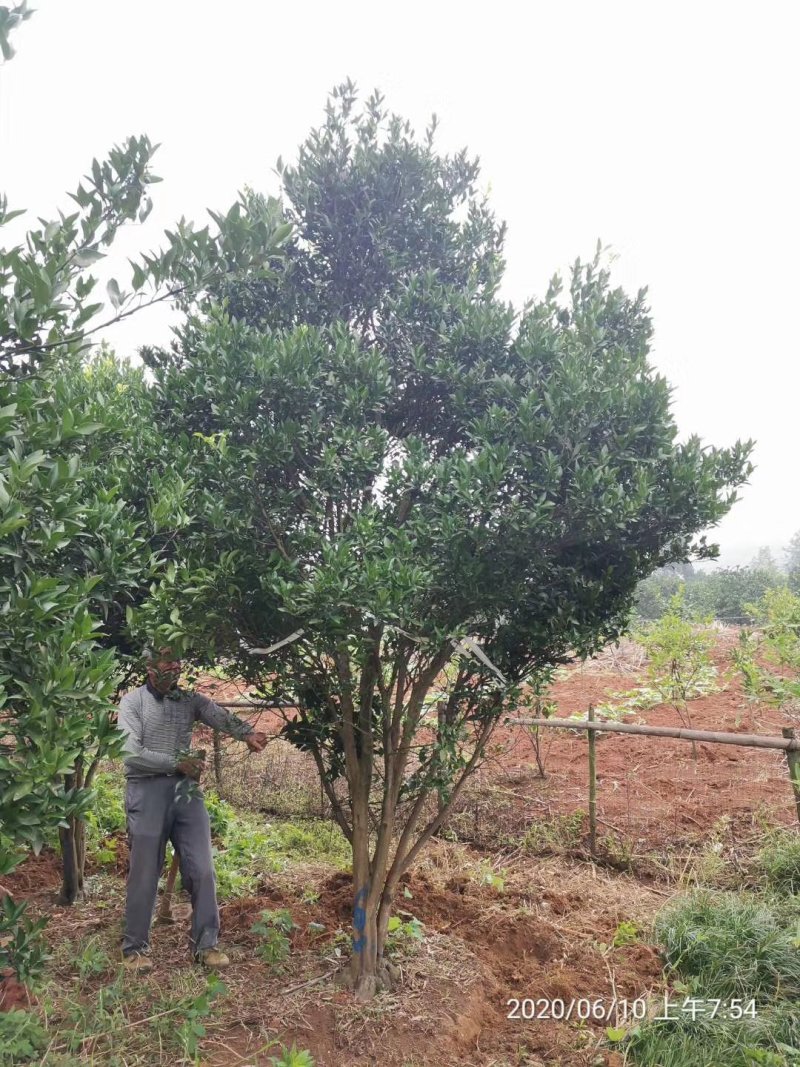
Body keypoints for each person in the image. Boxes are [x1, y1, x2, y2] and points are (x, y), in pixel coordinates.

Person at [117, 646, 268, 972]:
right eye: (165, 661)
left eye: (176, 661)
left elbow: (217, 714)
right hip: (146, 790)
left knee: (202, 868)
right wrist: (178, 762)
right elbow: (130, 754)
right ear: (149, 666)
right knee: (144, 873)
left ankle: (206, 945)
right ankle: (135, 949)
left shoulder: (189, 700)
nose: (173, 667)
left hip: (186, 793)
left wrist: (248, 733)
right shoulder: (132, 703)